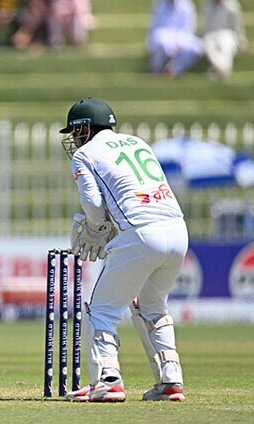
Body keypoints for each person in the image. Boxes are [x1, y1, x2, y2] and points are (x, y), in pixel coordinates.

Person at [59, 98, 187, 403]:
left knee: (102, 309)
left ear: (85, 129)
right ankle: (170, 380)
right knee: (152, 307)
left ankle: (107, 380)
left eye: (75, 133)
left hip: (141, 234)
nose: (74, 141)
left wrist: (96, 228)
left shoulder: (85, 154)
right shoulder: (137, 142)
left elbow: (91, 202)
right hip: (178, 231)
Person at [147, 0, 203, 77]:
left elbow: (189, 27)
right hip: (163, 35)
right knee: (159, 42)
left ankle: (172, 68)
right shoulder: (159, 4)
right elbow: (156, 26)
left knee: (197, 48)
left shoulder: (188, 5)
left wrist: (179, 40)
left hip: (182, 37)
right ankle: (156, 68)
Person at [201, 0, 248, 79]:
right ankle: (222, 69)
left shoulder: (233, 5)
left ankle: (220, 69)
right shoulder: (207, 5)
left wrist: (241, 40)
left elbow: (237, 25)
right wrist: (203, 36)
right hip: (211, 33)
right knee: (208, 46)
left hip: (227, 33)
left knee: (226, 47)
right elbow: (205, 24)